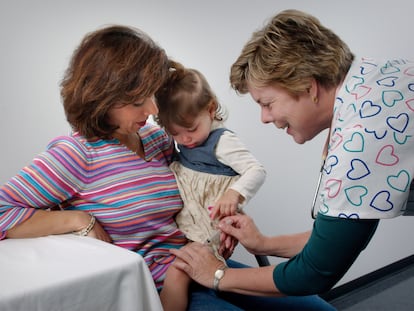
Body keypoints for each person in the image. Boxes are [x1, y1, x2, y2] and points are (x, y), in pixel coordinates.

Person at [0, 23, 335, 311]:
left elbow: (195, 187)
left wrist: (223, 218)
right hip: (160, 287)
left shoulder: (156, 139)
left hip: (203, 262)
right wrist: (79, 219)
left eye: (152, 95)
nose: (151, 108)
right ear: (100, 99)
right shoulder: (75, 154)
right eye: (136, 102)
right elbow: (4, 209)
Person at [170, 8, 414, 299]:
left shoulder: (358, 140)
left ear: (308, 86)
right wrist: (263, 243)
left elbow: (314, 272)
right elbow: (336, 242)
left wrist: (217, 274)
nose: (264, 117)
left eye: (268, 103)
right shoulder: (377, 77)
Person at [155, 61, 265, 310]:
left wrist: (234, 193)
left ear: (211, 109)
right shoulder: (186, 141)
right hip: (190, 224)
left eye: (191, 129)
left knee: (178, 272)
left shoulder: (222, 142)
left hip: (210, 223)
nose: (185, 139)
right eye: (176, 134)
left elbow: (256, 170)